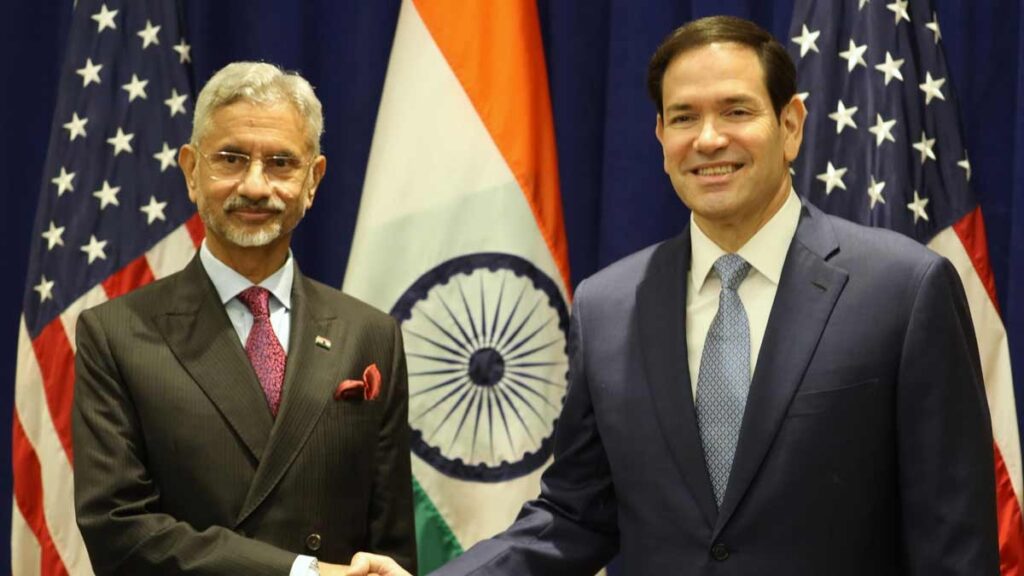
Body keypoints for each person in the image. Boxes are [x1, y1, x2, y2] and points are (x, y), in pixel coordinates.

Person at [350, 15, 999, 576]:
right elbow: (575, 516)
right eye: (684, 117)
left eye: (736, 111)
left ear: (791, 124)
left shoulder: (903, 290)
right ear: (660, 137)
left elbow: (952, 539)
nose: (708, 138)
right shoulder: (608, 307)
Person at [73, 62, 416, 576]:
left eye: (281, 163)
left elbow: (392, 550)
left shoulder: (371, 335)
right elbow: (118, 530)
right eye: (231, 159)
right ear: (191, 170)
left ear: (313, 180)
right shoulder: (115, 335)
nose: (255, 186)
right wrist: (302, 573)